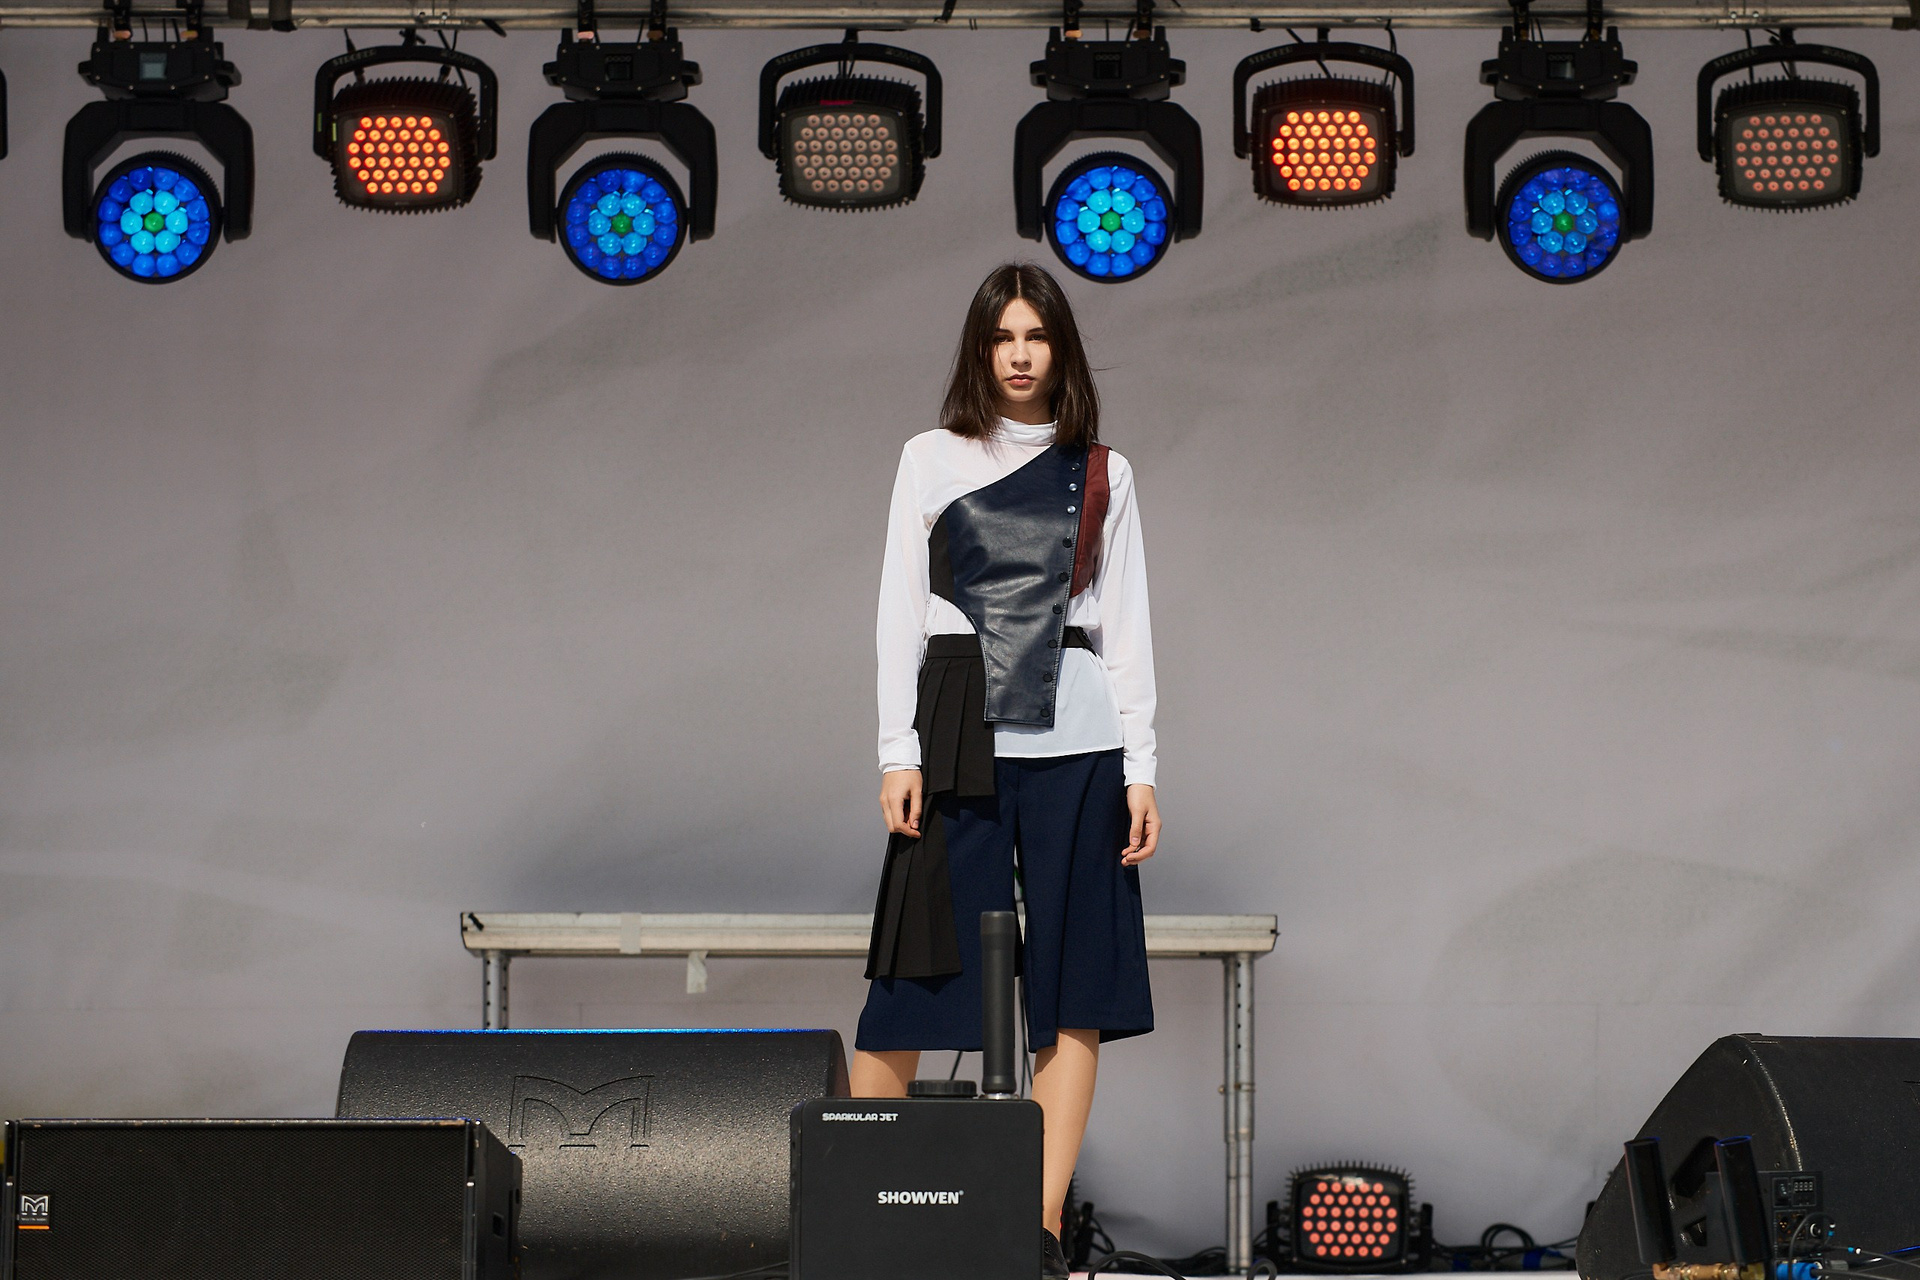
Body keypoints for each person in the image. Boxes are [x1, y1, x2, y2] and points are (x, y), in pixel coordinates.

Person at [854, 261, 1161, 1278]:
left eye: (1037, 335)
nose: (1021, 355)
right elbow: (901, 612)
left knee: (1073, 987)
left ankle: (1038, 1225)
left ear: (1061, 349)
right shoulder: (929, 457)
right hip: (958, 732)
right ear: (980, 351)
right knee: (914, 969)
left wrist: (1142, 767)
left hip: (1081, 744)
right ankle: (863, 1211)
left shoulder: (1105, 472)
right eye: (1003, 337)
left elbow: (1126, 628)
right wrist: (896, 749)